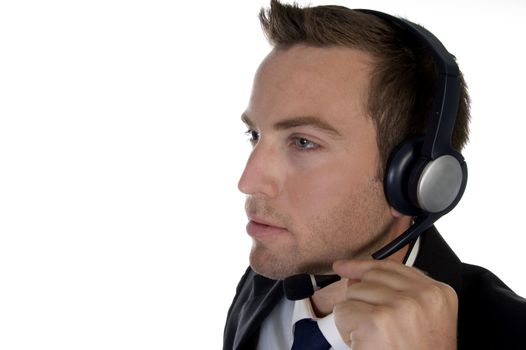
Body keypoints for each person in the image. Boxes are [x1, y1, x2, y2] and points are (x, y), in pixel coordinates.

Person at [223, 1, 526, 349]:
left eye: (304, 142)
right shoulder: (263, 284)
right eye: (255, 135)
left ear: (415, 180)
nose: (249, 181)